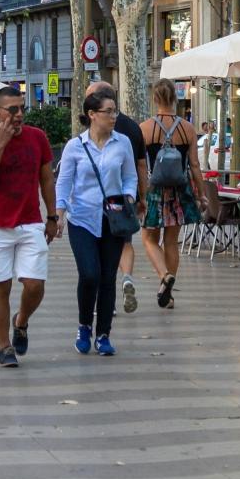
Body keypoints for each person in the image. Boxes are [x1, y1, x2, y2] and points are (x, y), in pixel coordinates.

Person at [0, 84, 57, 368]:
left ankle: (21, 320)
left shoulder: (37, 137)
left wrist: (52, 216)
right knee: (1, 287)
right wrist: (0, 143)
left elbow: (46, 179)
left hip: (30, 221)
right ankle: (4, 346)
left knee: (35, 284)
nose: (19, 114)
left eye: (22, 108)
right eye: (13, 110)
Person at [57, 90, 139, 356]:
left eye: (116, 111)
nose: (114, 116)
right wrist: (59, 213)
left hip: (113, 220)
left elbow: (131, 176)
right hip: (81, 218)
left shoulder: (123, 143)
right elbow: (64, 182)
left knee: (107, 277)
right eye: (109, 111)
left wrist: (128, 197)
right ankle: (84, 326)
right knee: (89, 274)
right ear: (92, 114)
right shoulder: (75, 146)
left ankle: (103, 334)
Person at [86, 81, 149, 315]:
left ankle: (106, 302)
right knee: (125, 243)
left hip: (98, 202)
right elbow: (141, 166)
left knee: (101, 252)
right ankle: (127, 277)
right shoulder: (133, 127)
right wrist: (142, 196)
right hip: (124, 200)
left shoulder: (93, 125)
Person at [138, 80, 198, 310]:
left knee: (149, 239)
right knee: (171, 241)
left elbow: (140, 165)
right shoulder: (188, 128)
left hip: (154, 189)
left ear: (154, 99)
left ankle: (164, 276)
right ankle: (168, 294)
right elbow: (194, 165)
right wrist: (201, 194)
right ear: (175, 98)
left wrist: (139, 194)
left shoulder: (144, 128)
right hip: (180, 190)